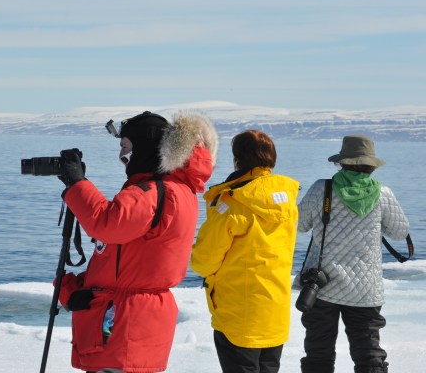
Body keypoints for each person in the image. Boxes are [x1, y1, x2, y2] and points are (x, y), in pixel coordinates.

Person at [55, 111, 218, 373]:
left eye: (126, 146)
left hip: (125, 324)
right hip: (130, 318)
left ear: (144, 147)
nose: (122, 156)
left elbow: (106, 225)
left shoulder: (152, 193)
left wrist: (77, 184)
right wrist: (80, 288)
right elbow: (129, 257)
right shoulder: (175, 190)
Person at [295, 135, 409, 373]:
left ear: (342, 162)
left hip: (321, 287)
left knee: (318, 355)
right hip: (365, 291)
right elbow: (400, 233)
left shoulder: (321, 189)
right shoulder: (383, 194)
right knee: (369, 355)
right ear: (371, 164)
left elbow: (299, 224)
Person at [191, 130, 300, 373]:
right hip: (275, 314)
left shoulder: (232, 202)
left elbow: (204, 262)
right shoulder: (287, 201)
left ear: (238, 158)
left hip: (238, 316)